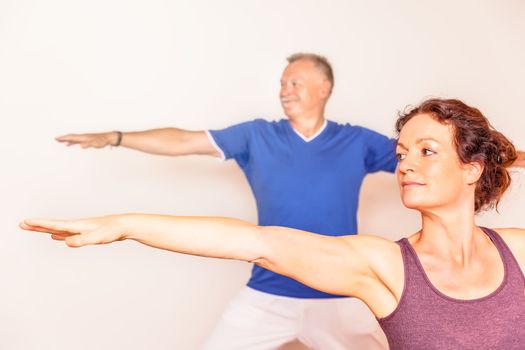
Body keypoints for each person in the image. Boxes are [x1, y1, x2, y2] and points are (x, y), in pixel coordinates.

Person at [22, 98, 525, 349]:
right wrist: (126, 223)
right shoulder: (383, 265)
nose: (405, 164)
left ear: (472, 168)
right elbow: (255, 242)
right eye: (400, 153)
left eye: (426, 151)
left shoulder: (518, 251)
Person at [55, 53, 397, 349]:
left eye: (295, 82)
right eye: (282, 83)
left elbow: (422, 159)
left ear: (324, 88)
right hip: (269, 292)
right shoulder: (257, 135)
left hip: (340, 293)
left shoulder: (357, 142)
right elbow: (182, 142)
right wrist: (116, 138)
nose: (284, 91)